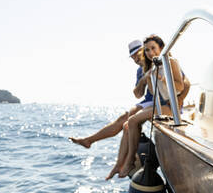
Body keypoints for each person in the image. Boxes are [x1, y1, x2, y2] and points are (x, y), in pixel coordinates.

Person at [106, 35, 189, 180]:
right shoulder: (150, 67)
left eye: (153, 49)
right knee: (129, 122)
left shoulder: (171, 62)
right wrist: (150, 78)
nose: (150, 53)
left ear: (161, 48)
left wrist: (162, 78)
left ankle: (130, 161)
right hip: (159, 105)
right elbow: (155, 93)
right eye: (147, 50)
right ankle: (124, 162)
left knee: (131, 121)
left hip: (170, 107)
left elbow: (181, 86)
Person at [69, 39, 155, 149]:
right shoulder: (140, 71)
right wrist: (143, 80)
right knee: (123, 119)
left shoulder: (157, 63)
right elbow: (138, 95)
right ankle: (89, 141)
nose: (135, 58)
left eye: (137, 54)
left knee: (126, 123)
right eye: (133, 57)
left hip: (155, 102)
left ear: (145, 50)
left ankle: (124, 161)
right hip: (147, 101)